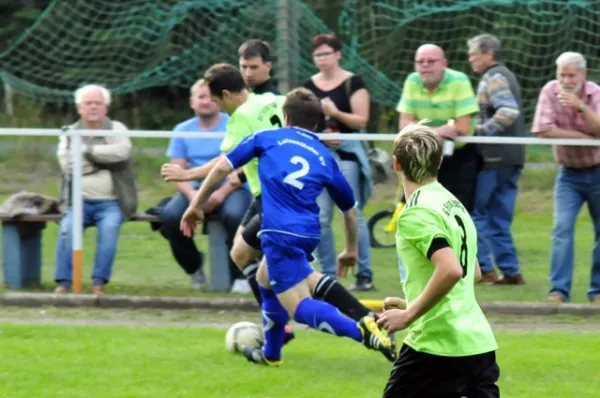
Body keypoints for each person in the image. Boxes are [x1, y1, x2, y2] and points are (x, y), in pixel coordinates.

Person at [161, 64, 384, 341]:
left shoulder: (241, 117)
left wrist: (188, 177)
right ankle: (279, 334)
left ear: (227, 94)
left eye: (216, 100)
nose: (216, 107)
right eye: (244, 66)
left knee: (298, 290)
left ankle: (357, 328)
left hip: (273, 202)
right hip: (291, 204)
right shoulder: (272, 101)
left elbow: (224, 164)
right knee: (250, 258)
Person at [377, 121, 500, 397]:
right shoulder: (453, 204)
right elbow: (474, 272)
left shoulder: (416, 212)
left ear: (396, 164)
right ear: (440, 162)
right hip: (476, 342)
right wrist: (416, 301)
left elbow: (451, 270)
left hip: (437, 342)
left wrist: (409, 314)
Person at [159, 78, 251, 292]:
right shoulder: (181, 130)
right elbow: (178, 171)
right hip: (195, 187)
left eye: (210, 97)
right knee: (171, 217)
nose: (206, 101)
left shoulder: (234, 124)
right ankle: (194, 268)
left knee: (236, 216)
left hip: (231, 187)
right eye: (201, 97)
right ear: (192, 102)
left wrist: (219, 194)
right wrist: (194, 196)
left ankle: (240, 274)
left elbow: (240, 164)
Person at [303, 33, 374, 291]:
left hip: (346, 157)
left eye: (327, 53)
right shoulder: (307, 86)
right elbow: (299, 122)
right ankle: (328, 275)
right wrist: (320, 138)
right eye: (318, 55)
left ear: (338, 54)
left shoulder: (353, 83)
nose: (322, 59)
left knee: (353, 213)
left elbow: (361, 120)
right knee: (320, 217)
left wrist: (334, 114)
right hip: (317, 156)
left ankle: (364, 274)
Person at [531, 51, 600, 303]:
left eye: (571, 75)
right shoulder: (549, 91)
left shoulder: (595, 93)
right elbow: (542, 129)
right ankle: (558, 290)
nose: (566, 80)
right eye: (562, 74)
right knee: (561, 228)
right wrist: (584, 139)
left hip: (598, 170)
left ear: (583, 74)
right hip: (568, 174)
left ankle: (598, 290)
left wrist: (580, 107)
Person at [54, 84, 136, 295]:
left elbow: (122, 152)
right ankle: (63, 283)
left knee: (109, 230)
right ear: (79, 107)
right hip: (77, 202)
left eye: (97, 103)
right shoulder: (69, 132)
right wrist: (101, 159)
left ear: (105, 107)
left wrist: (85, 152)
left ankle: (98, 282)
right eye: (88, 103)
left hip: (111, 203)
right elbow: (68, 165)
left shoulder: (117, 129)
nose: (93, 107)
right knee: (67, 231)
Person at [467, 33, 526, 285]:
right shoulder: (507, 74)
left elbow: (509, 111)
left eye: (474, 54)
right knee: (498, 217)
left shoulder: (494, 77)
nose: (470, 59)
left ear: (488, 53)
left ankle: (485, 268)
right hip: (512, 157)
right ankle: (511, 272)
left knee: (477, 213)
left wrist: (480, 131)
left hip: (494, 158)